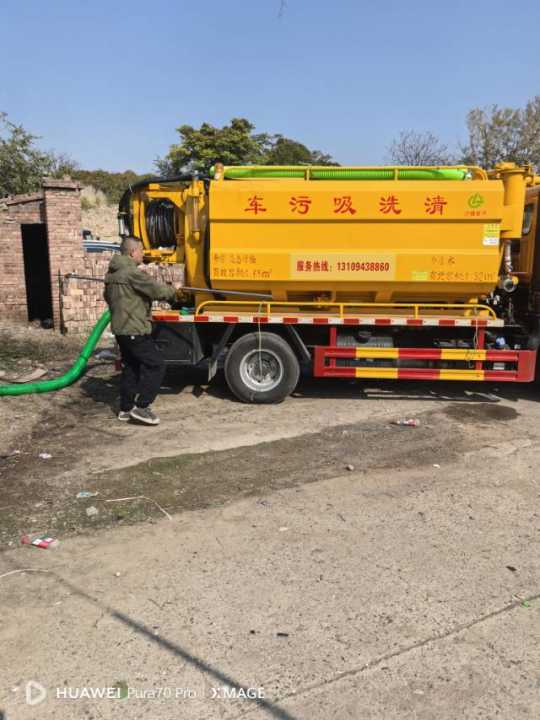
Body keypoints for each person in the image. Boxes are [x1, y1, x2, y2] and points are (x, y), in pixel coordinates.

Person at [104, 236, 179, 425]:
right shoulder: (132, 273)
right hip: (134, 328)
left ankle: (125, 409)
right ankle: (142, 407)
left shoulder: (112, 274)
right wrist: (175, 290)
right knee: (156, 365)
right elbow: (157, 291)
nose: (143, 254)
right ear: (132, 252)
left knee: (131, 367)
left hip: (120, 329)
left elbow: (108, 297)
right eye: (141, 250)